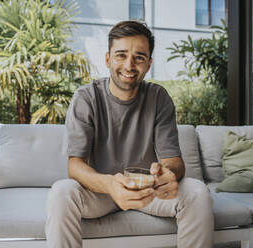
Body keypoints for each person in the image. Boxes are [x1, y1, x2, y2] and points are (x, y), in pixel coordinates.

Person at [45, 20, 214, 248]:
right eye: (121, 55)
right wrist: (110, 185)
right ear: (108, 59)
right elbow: (75, 166)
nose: (129, 65)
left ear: (149, 63)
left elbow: (174, 162)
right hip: (100, 192)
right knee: (61, 192)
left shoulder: (159, 98)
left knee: (197, 192)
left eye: (139, 57)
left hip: (148, 190)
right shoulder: (86, 98)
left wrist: (168, 175)